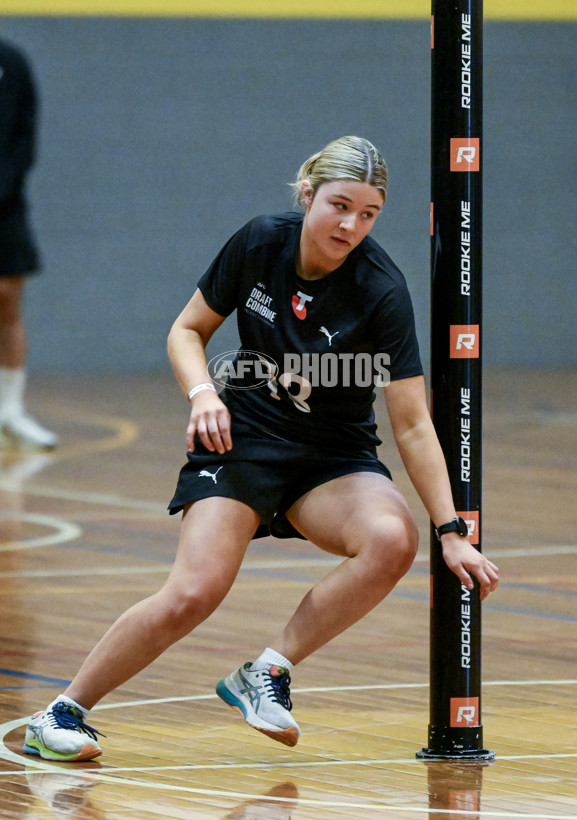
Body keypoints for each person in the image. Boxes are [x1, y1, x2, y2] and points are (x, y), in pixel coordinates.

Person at [23, 135, 499, 761]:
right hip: (241, 441)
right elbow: (187, 330)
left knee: (391, 539)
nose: (351, 225)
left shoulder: (382, 289)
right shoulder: (260, 241)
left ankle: (267, 671)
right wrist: (201, 394)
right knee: (194, 591)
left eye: (369, 213)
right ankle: (61, 714)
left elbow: (412, 424)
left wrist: (452, 529)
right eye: (340, 205)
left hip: (332, 460)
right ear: (308, 195)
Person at [0, 37, 57, 449]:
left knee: (7, 296)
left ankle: (10, 409)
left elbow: (24, 136)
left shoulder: (12, 62)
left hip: (4, 202)